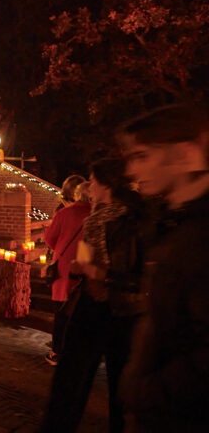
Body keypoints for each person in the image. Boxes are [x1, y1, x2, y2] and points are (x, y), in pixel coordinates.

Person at [117, 103, 209, 431]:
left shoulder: (200, 237)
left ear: (185, 154)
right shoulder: (173, 224)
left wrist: (149, 393)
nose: (130, 171)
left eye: (142, 156)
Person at [39, 158, 147, 433]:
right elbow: (87, 260)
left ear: (108, 184)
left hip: (121, 311)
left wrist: (102, 275)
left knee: (119, 385)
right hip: (88, 304)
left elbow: (141, 277)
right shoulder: (94, 218)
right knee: (69, 381)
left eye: (95, 181)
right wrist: (80, 269)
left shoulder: (132, 221)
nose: (90, 186)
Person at [44, 181, 93, 364]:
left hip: (64, 268)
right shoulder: (96, 215)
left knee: (62, 312)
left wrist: (62, 248)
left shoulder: (64, 213)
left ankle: (57, 351)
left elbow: (49, 238)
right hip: (87, 268)